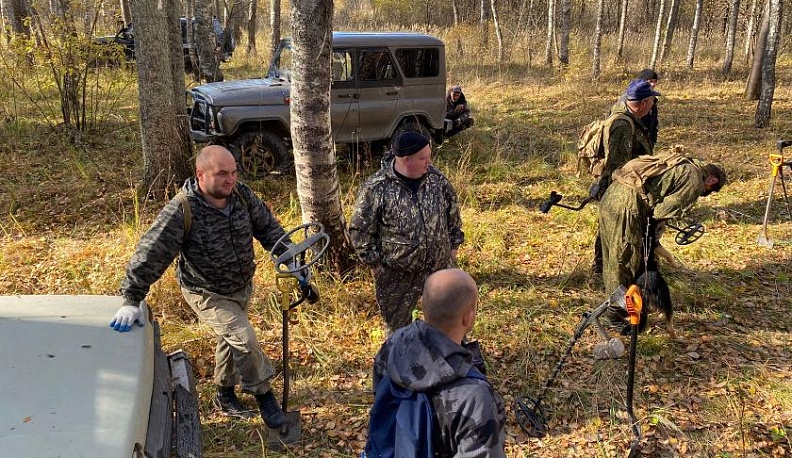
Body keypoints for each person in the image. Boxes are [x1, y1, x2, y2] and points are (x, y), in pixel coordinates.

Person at [109, 145, 294, 429]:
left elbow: (267, 227)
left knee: (229, 338)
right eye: (222, 174)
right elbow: (151, 252)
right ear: (200, 174)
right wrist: (132, 299)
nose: (230, 179)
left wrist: (288, 255)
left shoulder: (241, 196)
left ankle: (224, 392)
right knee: (244, 340)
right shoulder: (183, 209)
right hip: (205, 291)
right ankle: (263, 395)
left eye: (233, 172)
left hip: (241, 285)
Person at [371, 268, 506, 457]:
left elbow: (379, 396)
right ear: (468, 317)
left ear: (424, 306)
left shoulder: (396, 343)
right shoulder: (474, 395)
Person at [349, 131, 464, 332]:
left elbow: (452, 210)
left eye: (429, 156)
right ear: (404, 159)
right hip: (397, 277)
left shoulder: (436, 179)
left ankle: (443, 360)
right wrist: (375, 265)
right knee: (398, 333)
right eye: (423, 159)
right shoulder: (376, 188)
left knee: (447, 324)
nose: (428, 162)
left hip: (439, 269)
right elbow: (360, 230)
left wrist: (454, 247)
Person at [598, 155, 726, 294]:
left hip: (611, 197)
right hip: (627, 208)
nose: (704, 192)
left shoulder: (680, 162)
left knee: (612, 259)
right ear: (712, 180)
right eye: (709, 189)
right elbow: (660, 213)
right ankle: (618, 311)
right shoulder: (695, 179)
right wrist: (659, 229)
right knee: (625, 263)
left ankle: (618, 306)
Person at [591, 78, 661, 279]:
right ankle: (601, 270)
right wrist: (619, 192)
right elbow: (617, 163)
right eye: (651, 101)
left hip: (626, 185)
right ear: (643, 104)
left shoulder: (629, 119)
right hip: (621, 187)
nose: (653, 105)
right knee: (612, 230)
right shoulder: (623, 124)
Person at [612, 69, 660, 147]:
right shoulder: (628, 101)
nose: (653, 84)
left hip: (645, 143)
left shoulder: (651, 100)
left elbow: (653, 123)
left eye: (655, 81)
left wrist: (652, 140)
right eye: (650, 81)